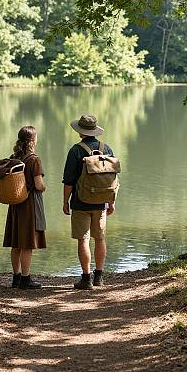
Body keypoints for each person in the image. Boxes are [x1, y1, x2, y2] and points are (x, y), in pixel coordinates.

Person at [62, 114, 115, 290]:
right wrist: (111, 202)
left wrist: (65, 202)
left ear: (80, 131)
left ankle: (86, 279)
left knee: (83, 240)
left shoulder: (75, 151)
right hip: (101, 202)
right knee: (100, 238)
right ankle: (99, 276)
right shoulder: (106, 149)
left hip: (80, 202)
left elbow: (68, 181)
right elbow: (112, 179)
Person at [3, 126, 46, 289]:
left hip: (15, 205)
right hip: (29, 205)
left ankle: (16, 277)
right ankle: (26, 279)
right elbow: (38, 185)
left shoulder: (14, 157)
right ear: (32, 140)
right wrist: (43, 187)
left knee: (16, 242)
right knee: (27, 243)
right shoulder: (34, 160)